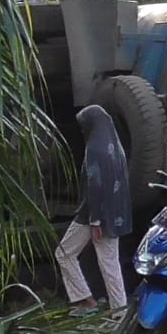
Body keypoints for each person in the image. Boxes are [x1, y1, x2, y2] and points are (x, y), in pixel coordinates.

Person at [55, 105, 133, 317]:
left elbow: (95, 185)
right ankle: (118, 310)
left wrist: (96, 221)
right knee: (109, 262)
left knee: (64, 253)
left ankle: (88, 301)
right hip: (114, 215)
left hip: (93, 215)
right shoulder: (116, 148)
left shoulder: (95, 149)